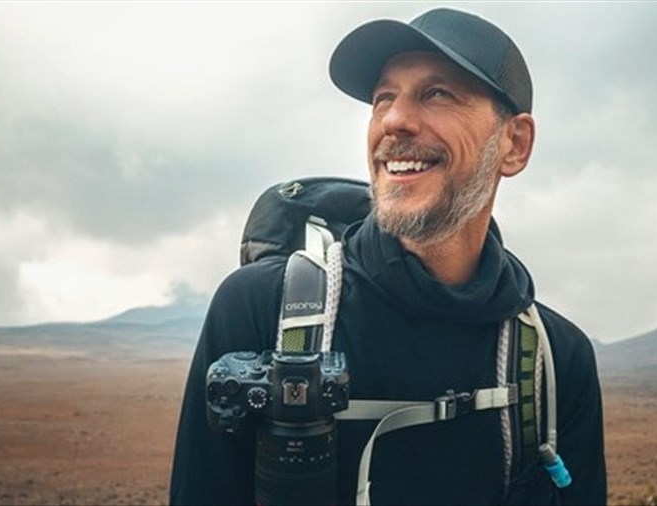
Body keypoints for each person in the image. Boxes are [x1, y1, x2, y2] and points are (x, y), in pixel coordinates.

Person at [169, 7, 606, 505]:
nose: (395, 120)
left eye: (437, 93)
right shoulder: (261, 308)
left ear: (515, 143)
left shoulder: (554, 361)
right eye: (383, 98)